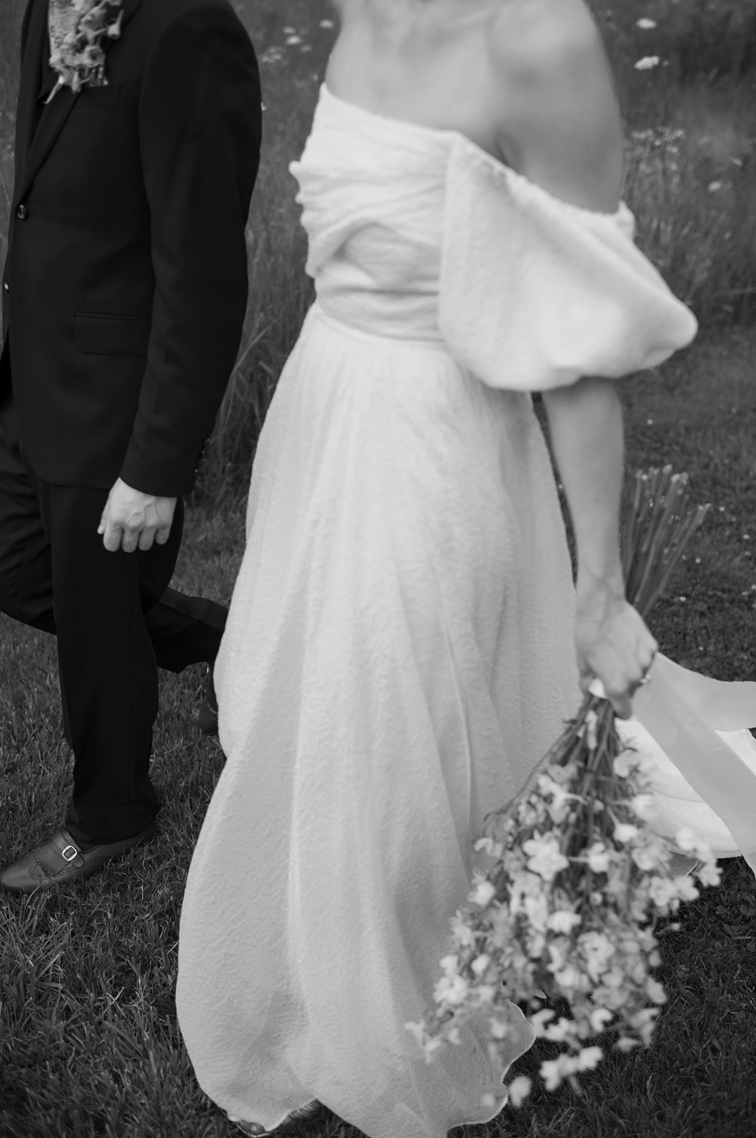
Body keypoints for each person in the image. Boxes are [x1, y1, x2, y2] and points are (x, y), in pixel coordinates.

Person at [176, 1, 698, 1135]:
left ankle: (384, 1020)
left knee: (389, 722)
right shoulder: (360, 9)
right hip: (326, 403)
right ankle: (325, 969)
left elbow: (581, 339)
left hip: (439, 434)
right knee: (312, 703)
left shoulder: (541, 42)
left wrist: (597, 582)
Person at [0, 0, 261, 893]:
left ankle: (113, 811)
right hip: (34, 371)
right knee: (27, 568)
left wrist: (154, 465)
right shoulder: (49, 6)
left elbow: (205, 271)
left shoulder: (186, 28)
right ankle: (234, 642)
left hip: (114, 397)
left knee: (97, 607)